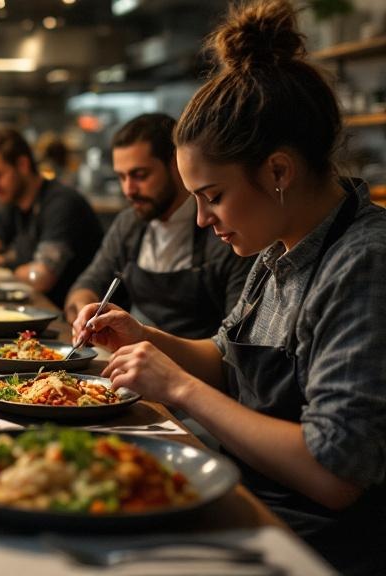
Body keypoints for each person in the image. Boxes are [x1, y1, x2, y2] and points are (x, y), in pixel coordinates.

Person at [73, 3, 386, 574]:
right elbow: (226, 359)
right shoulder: (276, 247)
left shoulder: (364, 262)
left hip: (320, 546)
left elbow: (335, 474)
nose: (200, 220)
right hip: (250, 502)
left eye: (212, 196)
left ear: (278, 172)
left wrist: (181, 391)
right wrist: (144, 336)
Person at [64, 114, 253, 338]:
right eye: (122, 177)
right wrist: (84, 313)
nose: (128, 190)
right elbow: (88, 283)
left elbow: (235, 342)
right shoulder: (129, 224)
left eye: (140, 175)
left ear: (176, 164)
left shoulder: (224, 231)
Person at [0, 127, 104, 305]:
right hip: (35, 305)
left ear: (22, 165)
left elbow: (40, 277)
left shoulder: (62, 204)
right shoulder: (15, 201)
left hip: (69, 316)